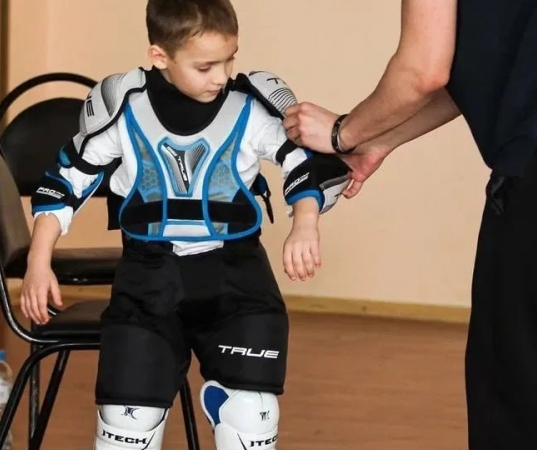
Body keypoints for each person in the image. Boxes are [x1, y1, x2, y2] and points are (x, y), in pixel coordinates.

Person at [283, 0, 537, 449]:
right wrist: (380, 141)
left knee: (511, 369)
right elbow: (473, 68)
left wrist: (343, 132)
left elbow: (424, 70)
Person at [19, 1, 349, 449]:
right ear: (160, 56)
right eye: (205, 66)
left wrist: (305, 223)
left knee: (251, 416)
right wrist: (39, 262)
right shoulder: (124, 111)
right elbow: (64, 183)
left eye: (230, 60)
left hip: (236, 278)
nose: (221, 76)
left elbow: (302, 162)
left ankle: (230, 406)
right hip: (148, 278)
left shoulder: (248, 110)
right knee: (126, 426)